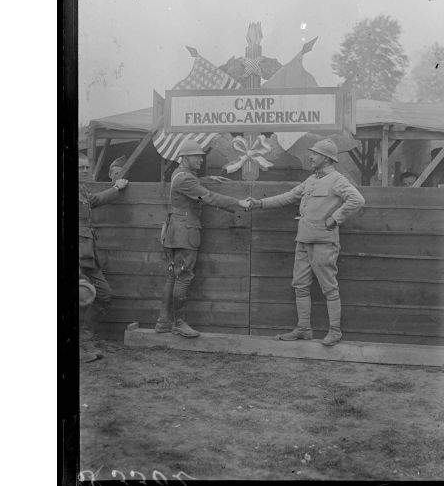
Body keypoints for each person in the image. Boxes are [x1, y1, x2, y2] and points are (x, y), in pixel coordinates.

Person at [247, 139, 365, 346]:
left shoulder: (337, 179)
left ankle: (335, 331)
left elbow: (357, 199)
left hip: (323, 242)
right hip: (303, 240)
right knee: (300, 285)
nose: (310, 157)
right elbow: (289, 196)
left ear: (327, 158)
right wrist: (260, 204)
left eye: (315, 154)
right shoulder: (311, 180)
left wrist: (335, 218)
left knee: (329, 287)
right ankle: (303, 329)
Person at [155, 139, 249, 337]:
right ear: (185, 158)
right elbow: (208, 197)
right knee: (184, 277)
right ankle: (178, 323)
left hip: (174, 231)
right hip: (185, 232)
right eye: (196, 156)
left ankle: (163, 321)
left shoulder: (178, 174)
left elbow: (190, 185)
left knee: (173, 275)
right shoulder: (186, 179)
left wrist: (207, 178)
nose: (200, 160)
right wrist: (238, 203)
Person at [79, 152, 129, 362]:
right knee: (81, 298)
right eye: (79, 168)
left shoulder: (81, 189)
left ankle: (85, 339)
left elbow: (93, 200)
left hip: (88, 255)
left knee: (103, 294)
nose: (84, 171)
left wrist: (116, 188)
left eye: (85, 167)